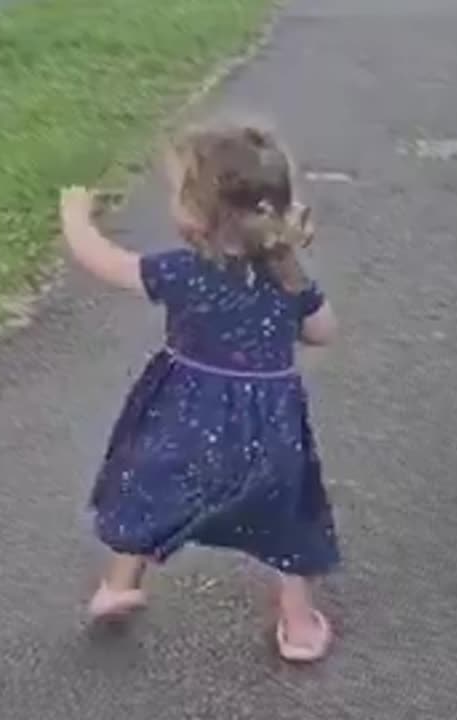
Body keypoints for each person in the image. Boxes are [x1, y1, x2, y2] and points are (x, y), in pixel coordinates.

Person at [59, 122, 340, 662]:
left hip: (183, 416)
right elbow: (324, 332)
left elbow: (105, 262)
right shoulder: (286, 276)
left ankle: (119, 585)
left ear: (199, 213)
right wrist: (295, 287)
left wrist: (76, 217)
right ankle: (300, 627)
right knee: (286, 518)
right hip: (269, 430)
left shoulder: (183, 271)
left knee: (146, 490)